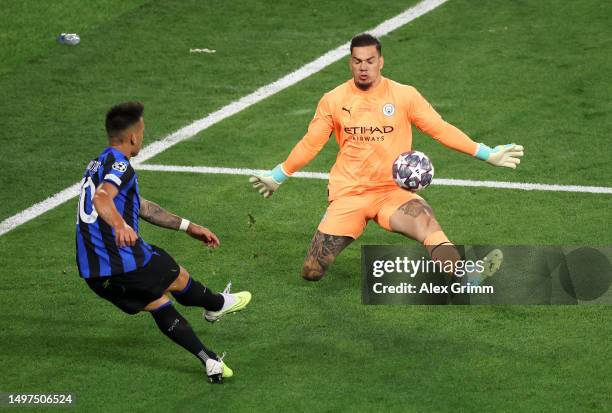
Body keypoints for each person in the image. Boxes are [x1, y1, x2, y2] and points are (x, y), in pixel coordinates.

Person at [249, 33, 523, 281]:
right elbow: (311, 143)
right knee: (312, 271)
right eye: (357, 61)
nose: (363, 67)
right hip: (349, 194)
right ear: (350, 63)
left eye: (370, 60)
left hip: (394, 193)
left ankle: (467, 275)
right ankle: (334, 219)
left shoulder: (405, 96)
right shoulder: (333, 100)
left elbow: (440, 129)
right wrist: (278, 175)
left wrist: (487, 154)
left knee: (426, 225)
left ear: (381, 61)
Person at [76, 102, 251, 383]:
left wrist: (187, 226)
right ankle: (217, 303)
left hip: (93, 273)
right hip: (122, 260)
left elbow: (141, 207)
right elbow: (101, 199)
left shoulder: (95, 164)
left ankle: (210, 361)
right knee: (175, 274)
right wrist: (120, 225)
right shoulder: (120, 165)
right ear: (133, 136)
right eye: (142, 131)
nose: (143, 137)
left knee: (157, 302)